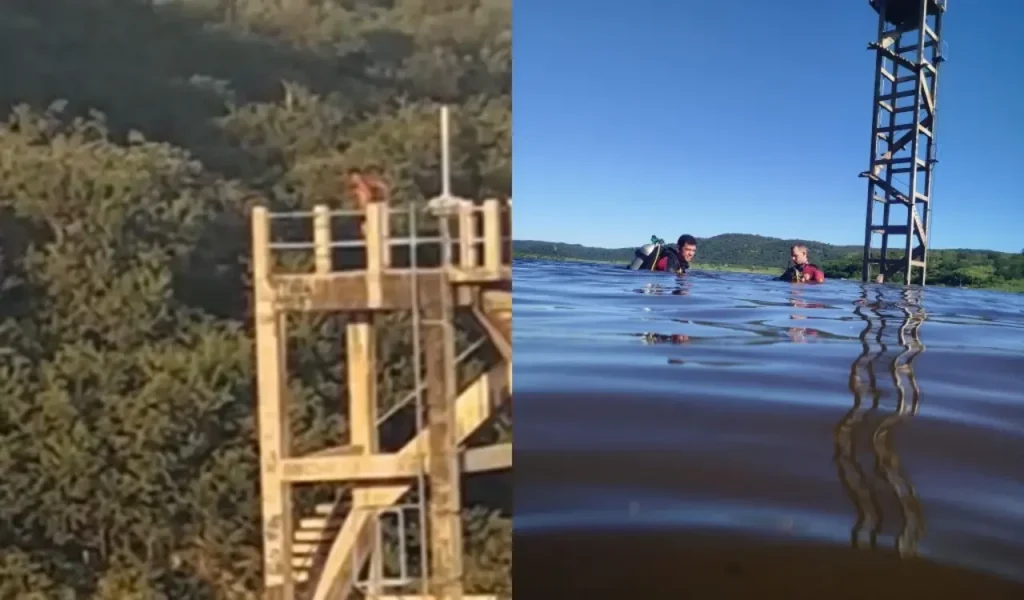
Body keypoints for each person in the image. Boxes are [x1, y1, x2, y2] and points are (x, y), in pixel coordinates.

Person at [627, 234, 697, 274]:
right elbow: (668, 275)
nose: (691, 253)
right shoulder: (670, 260)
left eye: (693, 250)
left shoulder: (681, 264)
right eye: (688, 249)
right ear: (678, 248)